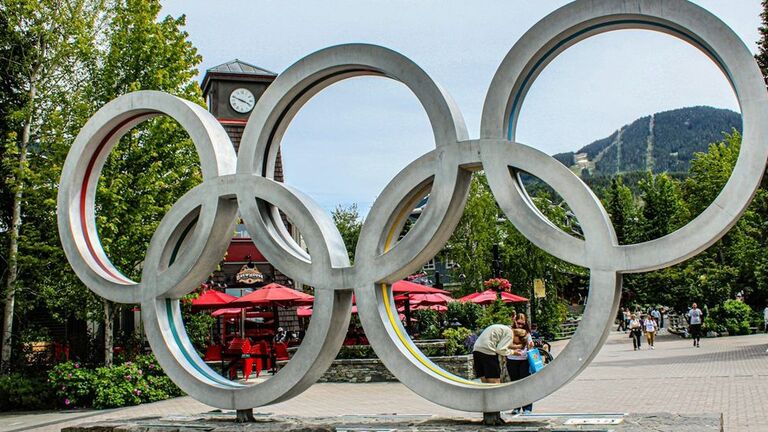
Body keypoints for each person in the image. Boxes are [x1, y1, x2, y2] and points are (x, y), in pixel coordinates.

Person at [506, 313, 534, 414]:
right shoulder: (510, 332)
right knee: (514, 384)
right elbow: (506, 345)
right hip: (512, 360)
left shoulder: (527, 333)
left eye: (523, 323)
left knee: (525, 384)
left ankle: (527, 408)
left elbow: (530, 347)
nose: (520, 325)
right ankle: (516, 407)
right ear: (515, 321)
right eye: (519, 323)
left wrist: (530, 346)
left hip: (524, 360)